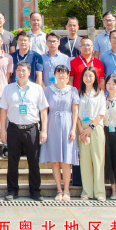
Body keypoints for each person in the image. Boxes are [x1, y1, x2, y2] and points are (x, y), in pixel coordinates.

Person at [0, 61, 49, 201]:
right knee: (12, 161)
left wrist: (43, 130)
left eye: (23, 70)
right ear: (15, 72)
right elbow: (3, 110)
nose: (21, 73)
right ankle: (12, 190)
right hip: (14, 129)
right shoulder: (8, 88)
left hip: (31, 129)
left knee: (33, 161)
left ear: (29, 72)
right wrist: (2, 129)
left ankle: (35, 191)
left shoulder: (37, 89)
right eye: (18, 70)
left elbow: (43, 110)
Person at [40, 65, 79, 201]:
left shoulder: (72, 90)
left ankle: (66, 190)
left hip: (67, 124)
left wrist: (73, 128)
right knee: (55, 161)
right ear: (54, 75)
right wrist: (44, 129)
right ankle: (59, 190)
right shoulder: (48, 90)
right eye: (59, 73)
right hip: (52, 125)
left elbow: (75, 110)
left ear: (68, 76)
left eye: (64, 73)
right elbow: (44, 110)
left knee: (66, 161)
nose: (61, 75)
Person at [77, 66, 107, 201]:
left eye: (90, 76)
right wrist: (81, 129)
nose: (88, 78)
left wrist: (90, 128)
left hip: (95, 127)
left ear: (95, 78)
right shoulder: (79, 93)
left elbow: (101, 113)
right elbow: (75, 113)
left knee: (98, 160)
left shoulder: (100, 94)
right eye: (85, 75)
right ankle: (87, 191)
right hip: (82, 128)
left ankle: (99, 192)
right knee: (85, 161)